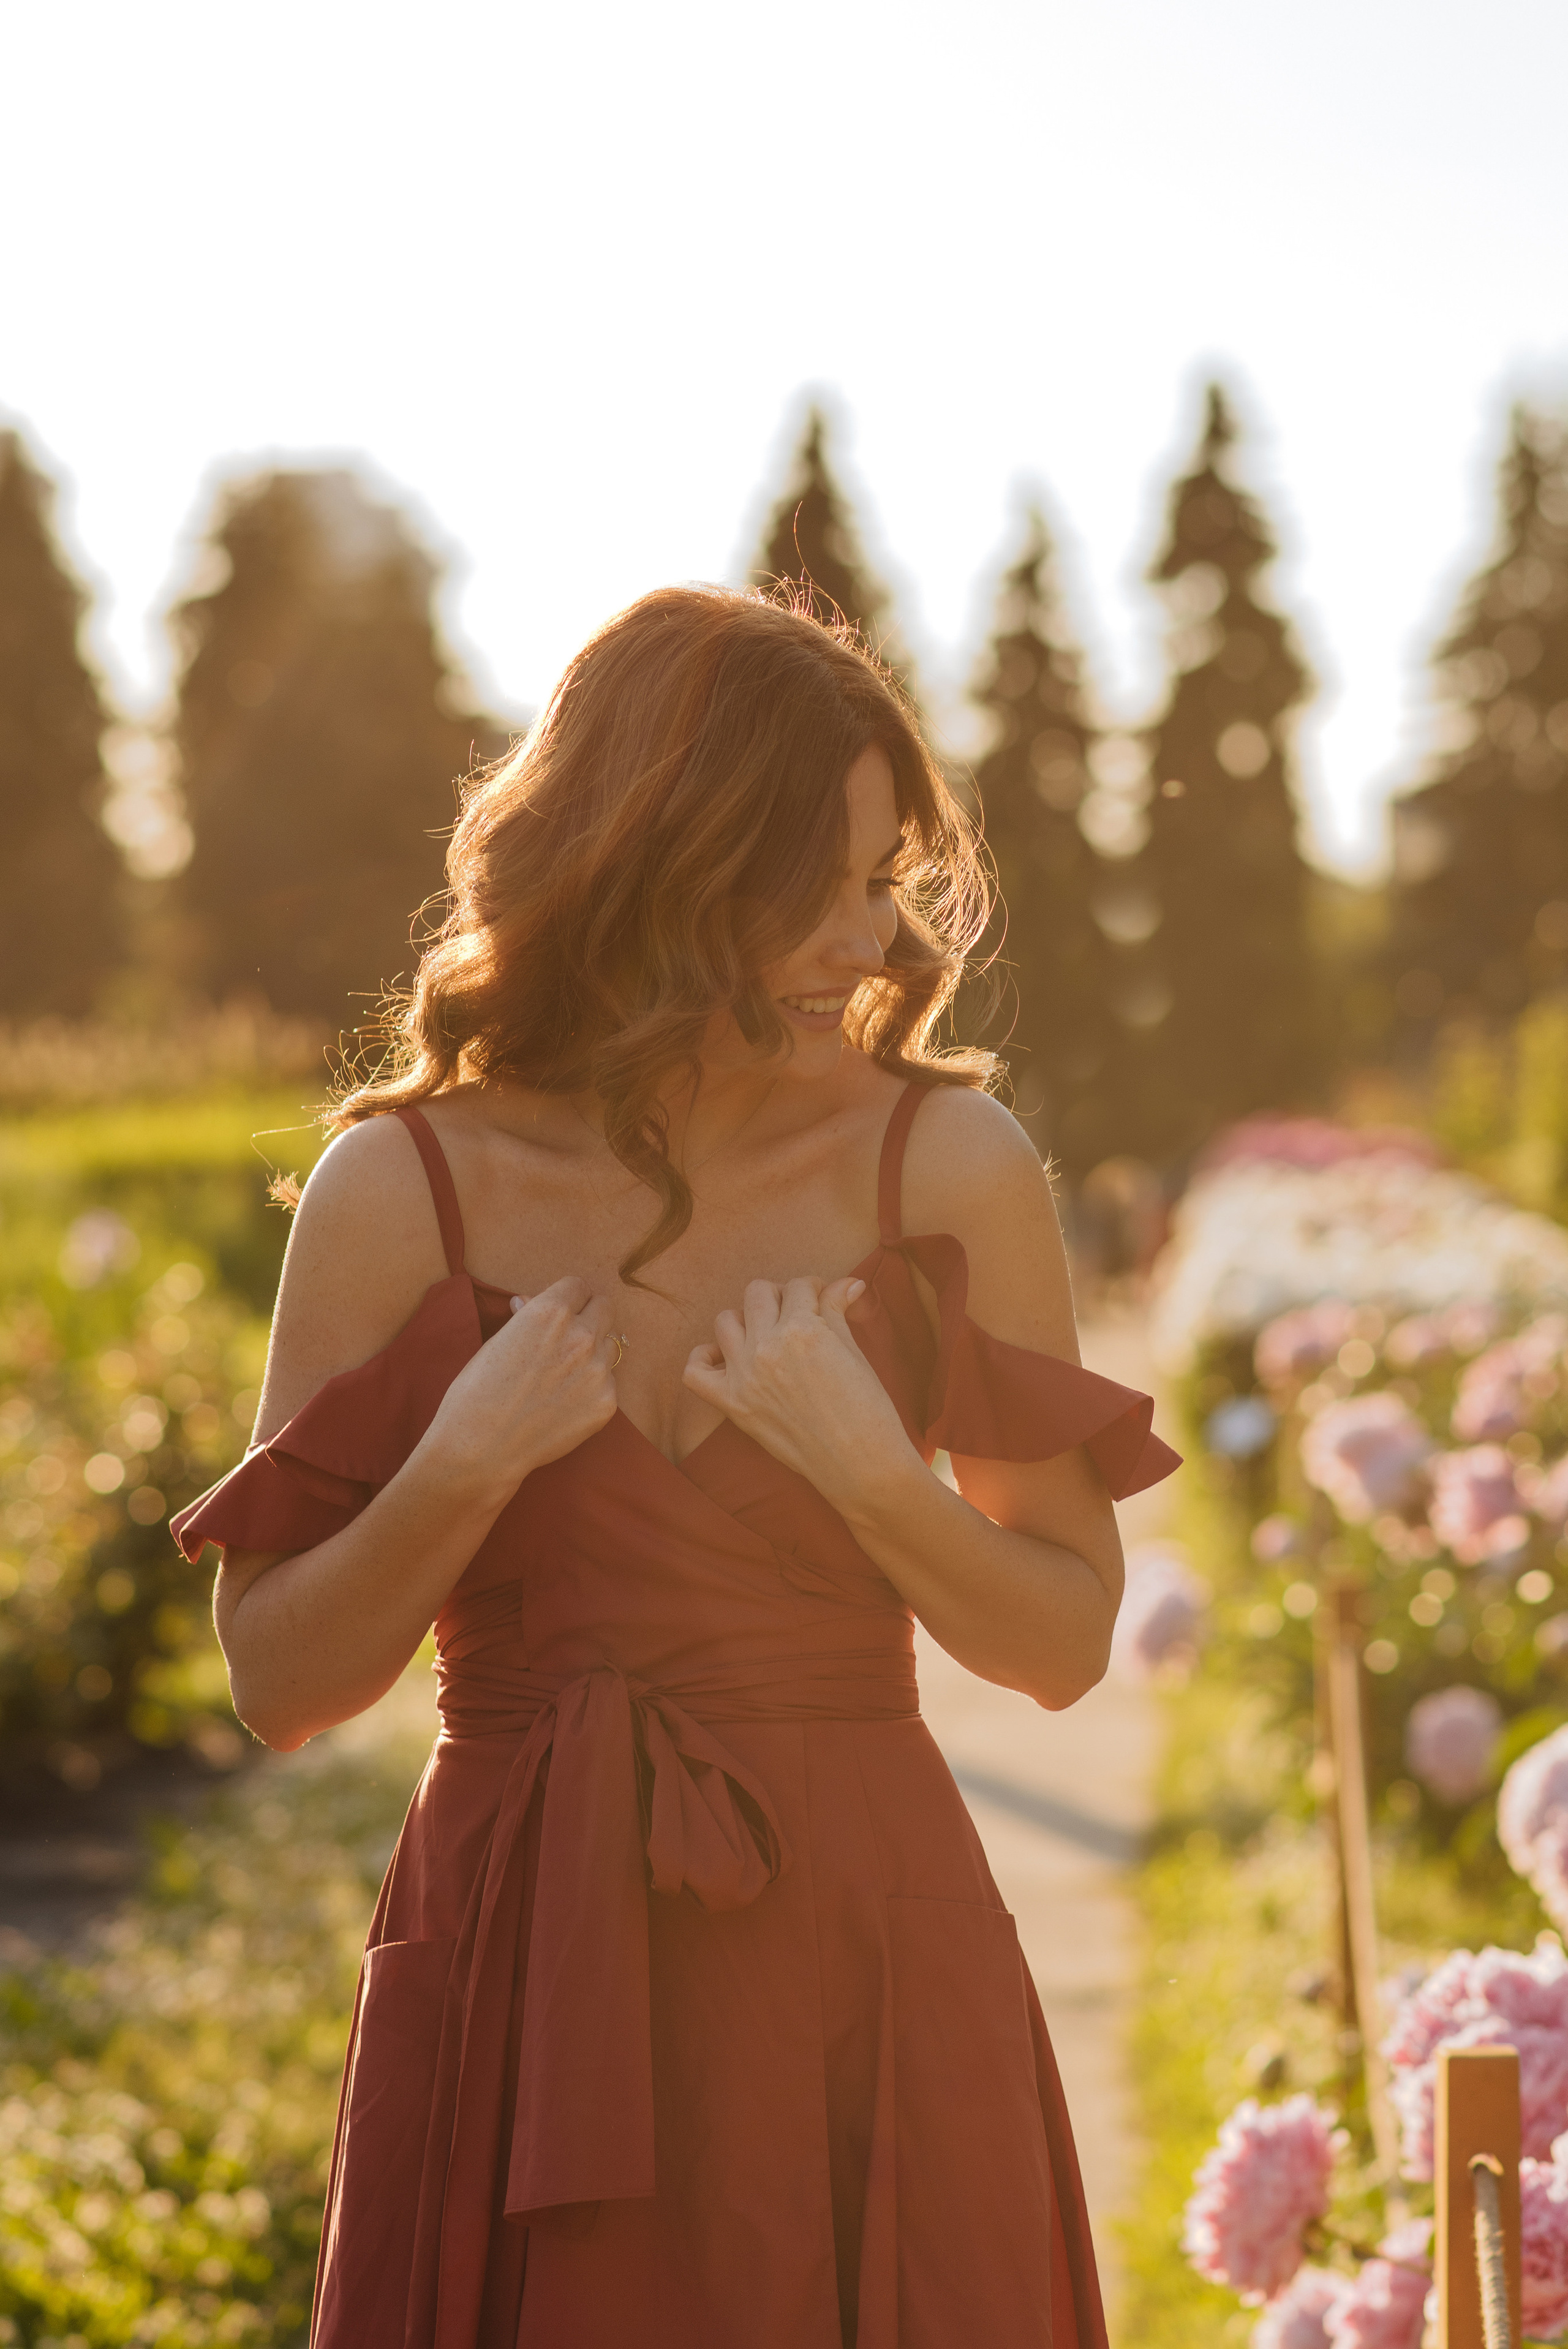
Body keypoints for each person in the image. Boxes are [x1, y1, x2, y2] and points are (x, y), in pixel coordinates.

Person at [173, 586, 1178, 2349]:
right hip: (518, 1972)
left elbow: (1062, 1637)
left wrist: (878, 1479)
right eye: (840, 883)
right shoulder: (396, 1192)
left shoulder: (944, 1166)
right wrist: (458, 1465)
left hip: (873, 1948)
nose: (881, 940)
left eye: (893, 882)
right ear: (678, 858)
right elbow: (279, 1680)